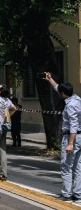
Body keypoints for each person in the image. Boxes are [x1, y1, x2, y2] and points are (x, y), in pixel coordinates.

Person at [44, 72, 81, 201]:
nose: (58, 94)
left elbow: (74, 125)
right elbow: (58, 88)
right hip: (80, 138)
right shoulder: (77, 99)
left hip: (72, 137)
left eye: (59, 93)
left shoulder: (70, 106)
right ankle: (78, 194)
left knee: (66, 166)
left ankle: (66, 194)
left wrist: (70, 143)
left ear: (63, 94)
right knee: (77, 166)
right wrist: (50, 79)